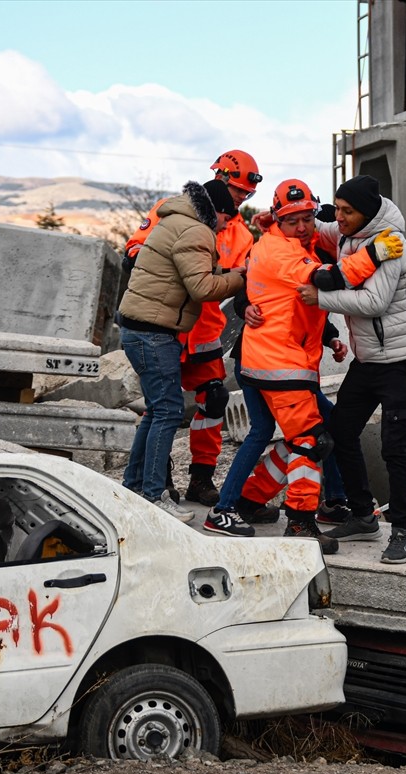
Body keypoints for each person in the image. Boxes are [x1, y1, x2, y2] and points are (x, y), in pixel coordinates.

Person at [297, 174, 406, 563]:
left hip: (401, 361)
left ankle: (402, 530)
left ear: (366, 212)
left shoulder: (390, 244)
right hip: (369, 361)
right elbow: (318, 228)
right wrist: (292, 214)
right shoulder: (347, 233)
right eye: (336, 209)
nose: (338, 217)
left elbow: (373, 302)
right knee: (341, 431)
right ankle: (362, 515)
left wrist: (320, 298)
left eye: (346, 211)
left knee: (394, 446)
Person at [123, 150, 262, 507]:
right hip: (162, 322)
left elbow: (244, 281)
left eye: (246, 196)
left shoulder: (241, 234)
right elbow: (134, 252)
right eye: (236, 192)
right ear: (219, 178)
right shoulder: (172, 212)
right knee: (161, 406)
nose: (240, 200)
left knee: (212, 399)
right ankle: (156, 482)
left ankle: (200, 476)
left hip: (202, 326)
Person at [233, 179, 344, 553]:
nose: (301, 225)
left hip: (279, 362)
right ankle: (299, 522)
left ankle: (248, 500)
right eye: (293, 219)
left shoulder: (295, 244)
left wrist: (328, 337)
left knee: (303, 439)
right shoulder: (283, 252)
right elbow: (322, 279)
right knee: (312, 442)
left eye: (307, 218)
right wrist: (374, 256)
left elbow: (295, 303)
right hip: (280, 364)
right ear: (279, 220)